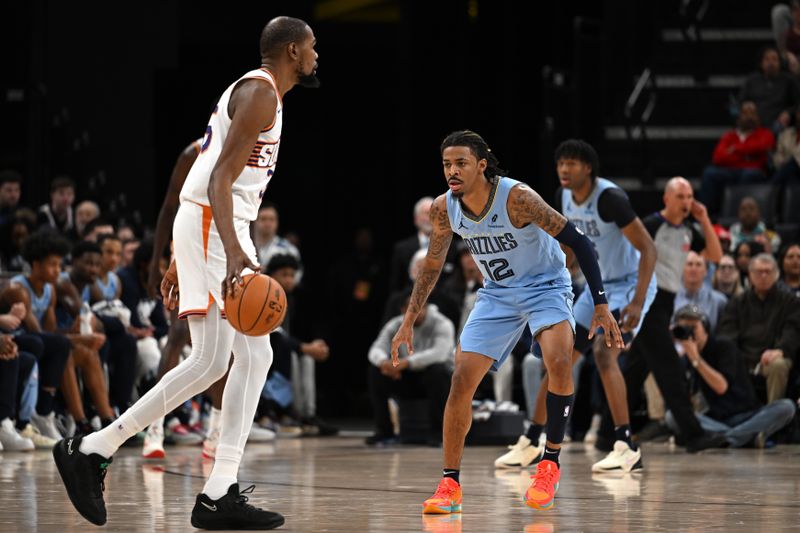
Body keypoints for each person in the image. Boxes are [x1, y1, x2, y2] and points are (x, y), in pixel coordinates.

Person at [53, 16, 319, 530]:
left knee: (225, 358)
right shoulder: (260, 94)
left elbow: (208, 171)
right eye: (312, 47)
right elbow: (218, 178)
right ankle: (200, 484)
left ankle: (107, 452)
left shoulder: (261, 95)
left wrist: (184, 249)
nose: (316, 56)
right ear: (291, 51)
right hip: (218, 226)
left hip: (210, 225)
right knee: (234, 354)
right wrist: (231, 253)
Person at [392, 130, 622, 513]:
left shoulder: (518, 199)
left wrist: (599, 303)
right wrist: (409, 319)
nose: (452, 171)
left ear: (482, 165)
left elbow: (581, 241)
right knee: (461, 377)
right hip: (497, 293)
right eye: (447, 164)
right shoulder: (443, 208)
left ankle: (549, 463)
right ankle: (449, 484)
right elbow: (432, 265)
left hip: (546, 286)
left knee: (559, 360)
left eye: (461, 163)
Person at [495, 139, 657, 474]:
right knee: (560, 359)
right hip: (599, 286)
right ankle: (531, 439)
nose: (564, 169)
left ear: (589, 168)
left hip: (629, 283)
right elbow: (571, 246)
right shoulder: (562, 197)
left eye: (572, 163)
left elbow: (649, 249)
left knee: (603, 354)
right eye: (560, 163)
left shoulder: (610, 199)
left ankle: (626, 445)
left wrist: (639, 301)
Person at [598, 177, 727, 453]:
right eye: (681, 196)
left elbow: (715, 255)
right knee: (670, 370)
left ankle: (606, 434)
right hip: (647, 299)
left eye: (690, 196)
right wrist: (634, 299)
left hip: (666, 302)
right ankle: (693, 435)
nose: (687, 202)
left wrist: (704, 218)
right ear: (666, 199)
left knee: (634, 371)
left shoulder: (690, 230)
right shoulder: (651, 225)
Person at [667, 305, 796, 447]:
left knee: (786, 407)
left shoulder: (724, 347)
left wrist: (696, 359)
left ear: (705, 328)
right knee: (672, 415)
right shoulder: (684, 360)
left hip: (746, 416)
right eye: (683, 330)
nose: (689, 334)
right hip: (714, 421)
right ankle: (743, 438)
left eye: (693, 328)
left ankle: (724, 439)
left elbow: (721, 387)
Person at [367, 292, 453, 445]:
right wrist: (383, 362)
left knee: (438, 371)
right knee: (375, 372)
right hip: (403, 377)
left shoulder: (442, 323)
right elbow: (375, 349)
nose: (417, 312)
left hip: (432, 379)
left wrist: (407, 362)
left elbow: (440, 353)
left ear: (426, 307)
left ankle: (438, 432)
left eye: (420, 308)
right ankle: (384, 431)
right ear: (402, 310)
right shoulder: (394, 324)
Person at [717, 253, 800, 403]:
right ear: (750, 275)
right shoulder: (737, 303)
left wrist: (780, 350)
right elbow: (727, 334)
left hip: (773, 357)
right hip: (743, 358)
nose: (763, 276)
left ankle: (775, 415)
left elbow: (793, 330)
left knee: (779, 365)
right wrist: (736, 358)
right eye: (758, 271)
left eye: (768, 271)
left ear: (776, 274)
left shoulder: (790, 301)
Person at [699, 101, 775, 215]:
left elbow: (760, 147)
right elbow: (718, 158)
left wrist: (734, 150)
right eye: (745, 113)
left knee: (748, 175)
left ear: (758, 117)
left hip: (754, 171)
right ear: (739, 117)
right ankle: (706, 216)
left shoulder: (765, 134)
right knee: (709, 173)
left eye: (752, 113)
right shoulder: (729, 136)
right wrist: (747, 157)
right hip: (731, 171)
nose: (749, 117)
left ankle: (736, 215)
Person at [739, 46, 800, 132]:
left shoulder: (789, 81)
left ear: (780, 62)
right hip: (755, 124)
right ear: (761, 62)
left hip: (780, 125)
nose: (771, 63)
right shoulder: (752, 80)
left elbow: (797, 103)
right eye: (767, 59)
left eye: (774, 59)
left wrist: (788, 113)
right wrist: (748, 108)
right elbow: (742, 101)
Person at [674, 251, 729, 330]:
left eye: (698, 265)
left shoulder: (719, 301)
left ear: (706, 271)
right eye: (689, 264)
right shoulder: (671, 297)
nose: (693, 269)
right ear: (682, 268)